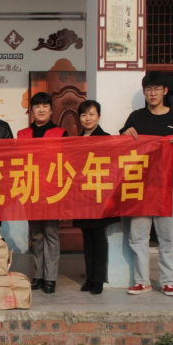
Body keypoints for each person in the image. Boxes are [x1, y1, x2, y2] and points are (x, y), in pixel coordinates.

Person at [120, 71, 173, 297]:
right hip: (139, 186)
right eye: (148, 89)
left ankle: (167, 281)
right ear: (144, 92)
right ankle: (142, 281)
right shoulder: (136, 117)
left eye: (156, 89)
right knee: (138, 236)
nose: (152, 93)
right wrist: (125, 132)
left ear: (165, 91)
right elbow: (122, 141)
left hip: (166, 187)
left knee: (167, 236)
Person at [16, 92, 67, 294]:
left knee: (51, 233)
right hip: (30, 190)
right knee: (36, 234)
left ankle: (51, 277)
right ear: (31, 110)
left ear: (51, 110)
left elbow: (67, 164)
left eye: (45, 106)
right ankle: (38, 275)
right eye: (37, 106)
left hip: (53, 192)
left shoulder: (61, 133)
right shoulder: (22, 134)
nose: (41, 109)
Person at [72, 100, 120, 295]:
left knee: (99, 237)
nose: (87, 118)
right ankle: (89, 277)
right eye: (84, 115)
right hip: (82, 195)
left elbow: (113, 167)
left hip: (100, 195)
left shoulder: (106, 138)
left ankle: (99, 279)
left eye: (91, 114)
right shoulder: (76, 141)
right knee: (87, 237)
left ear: (99, 116)